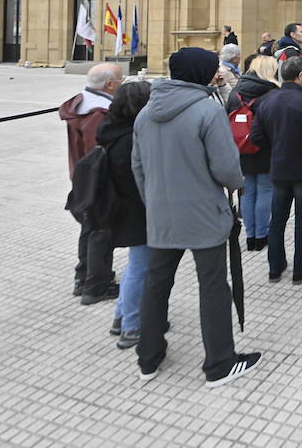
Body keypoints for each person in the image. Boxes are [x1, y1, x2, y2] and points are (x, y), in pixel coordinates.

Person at [132, 47, 261, 387]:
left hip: (162, 212)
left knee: (156, 283)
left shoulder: (146, 113)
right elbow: (226, 168)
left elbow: (138, 166)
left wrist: (155, 200)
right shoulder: (206, 111)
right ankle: (219, 362)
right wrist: (237, 185)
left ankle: (148, 355)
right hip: (203, 211)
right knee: (214, 285)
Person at [250, 56, 302, 284]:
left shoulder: (268, 102)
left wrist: (277, 143)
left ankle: (275, 266)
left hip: (279, 167)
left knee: (278, 218)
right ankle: (301, 266)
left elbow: (256, 138)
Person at [95, 79, 152, 348]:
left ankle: (121, 315)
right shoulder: (131, 140)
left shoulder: (112, 130)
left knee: (135, 266)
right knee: (141, 267)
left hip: (125, 210)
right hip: (137, 212)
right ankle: (131, 326)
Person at [60, 61, 123, 302]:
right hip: (98, 179)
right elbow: (98, 150)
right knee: (100, 230)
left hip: (82, 176)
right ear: (109, 85)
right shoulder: (98, 113)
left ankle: (83, 276)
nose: (123, 84)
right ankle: (96, 285)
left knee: (90, 226)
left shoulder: (83, 102)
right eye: (120, 80)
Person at [224, 58, 278, 251]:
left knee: (247, 192)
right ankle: (262, 235)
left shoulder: (235, 93)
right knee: (265, 190)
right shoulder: (272, 94)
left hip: (241, 149)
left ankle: (250, 235)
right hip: (264, 149)